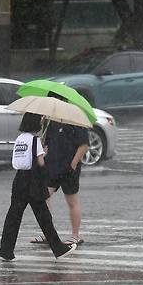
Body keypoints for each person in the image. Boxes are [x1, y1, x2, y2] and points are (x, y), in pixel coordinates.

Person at [0, 113, 77, 261]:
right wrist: (43, 152)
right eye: (40, 119)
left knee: (13, 217)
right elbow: (40, 163)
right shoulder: (35, 141)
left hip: (19, 179)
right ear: (35, 123)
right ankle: (59, 249)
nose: (42, 122)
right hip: (33, 181)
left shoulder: (19, 139)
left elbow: (18, 160)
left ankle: (5, 251)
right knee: (44, 217)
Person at [30, 92, 89, 246]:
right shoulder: (49, 120)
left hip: (69, 168)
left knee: (72, 201)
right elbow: (45, 143)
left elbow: (84, 145)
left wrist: (73, 164)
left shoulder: (74, 117)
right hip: (52, 166)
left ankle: (75, 236)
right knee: (43, 199)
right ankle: (47, 234)